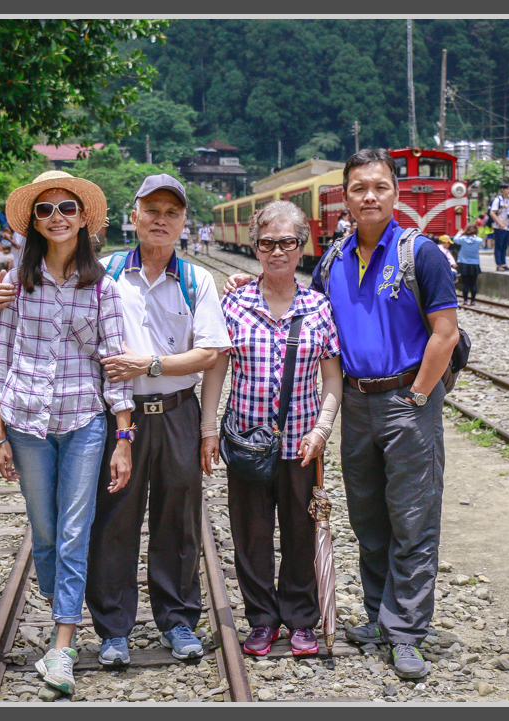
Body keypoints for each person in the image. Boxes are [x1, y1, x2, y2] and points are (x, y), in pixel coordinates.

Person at [222, 149, 459, 680]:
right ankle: (378, 616)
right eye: (359, 188)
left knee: (413, 520)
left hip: (406, 400)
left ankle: (406, 632)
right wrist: (246, 283)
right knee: (368, 518)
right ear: (345, 197)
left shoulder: (421, 255)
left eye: (379, 187)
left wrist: (418, 397)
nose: (369, 196)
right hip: (354, 401)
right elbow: (307, 311)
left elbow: (447, 334)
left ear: (394, 193)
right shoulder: (334, 261)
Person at [0, 173, 230, 667]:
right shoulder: (107, 272)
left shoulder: (196, 279)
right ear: (133, 216)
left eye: (171, 213)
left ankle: (178, 620)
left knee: (177, 519)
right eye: (151, 211)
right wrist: (0, 293)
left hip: (176, 409)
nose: (161, 221)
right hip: (116, 411)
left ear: (184, 222)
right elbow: (36, 307)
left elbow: (210, 352)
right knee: (113, 521)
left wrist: (158, 373)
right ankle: (113, 628)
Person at [0, 170, 135, 695]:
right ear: (34, 222)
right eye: (45, 210)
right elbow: (0, 358)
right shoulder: (15, 283)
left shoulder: (104, 288)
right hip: (26, 422)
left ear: (83, 219)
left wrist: (123, 437)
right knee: (44, 532)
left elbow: (114, 363)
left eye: (66, 208)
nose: (56, 217)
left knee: (74, 530)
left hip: (85, 421)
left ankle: (63, 645)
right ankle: (61, 601)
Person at [200, 200, 342, 658]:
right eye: (267, 243)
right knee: (251, 534)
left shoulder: (319, 307)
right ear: (255, 246)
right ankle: (262, 620)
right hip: (245, 442)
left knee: (301, 534)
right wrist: (208, 430)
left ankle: (302, 619)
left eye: (286, 242)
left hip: (303, 443)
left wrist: (322, 431)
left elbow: (333, 377)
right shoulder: (234, 303)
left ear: (302, 246)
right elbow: (216, 370)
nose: (276, 252)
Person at [454, 219, 484, 306]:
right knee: (473, 283)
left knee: (465, 283)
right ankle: (473, 301)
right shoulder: (479, 240)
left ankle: (465, 301)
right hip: (474, 264)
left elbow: (455, 239)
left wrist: (460, 232)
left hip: (464, 263)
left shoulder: (462, 239)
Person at [489, 182, 509, 271]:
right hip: (499, 226)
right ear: (502, 190)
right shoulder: (498, 200)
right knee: (499, 245)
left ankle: (504, 263)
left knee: (505, 246)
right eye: (508, 189)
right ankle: (499, 264)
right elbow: (492, 213)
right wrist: (499, 223)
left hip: (508, 226)